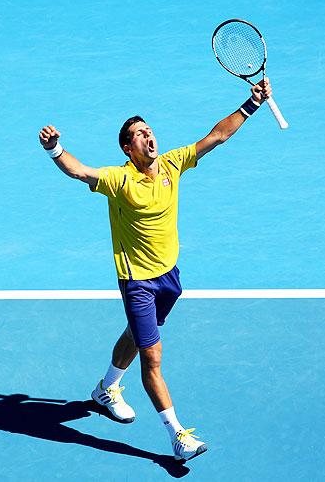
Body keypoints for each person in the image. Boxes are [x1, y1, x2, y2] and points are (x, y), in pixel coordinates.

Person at [39, 78, 273, 461]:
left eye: (150, 130)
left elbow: (216, 137)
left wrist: (251, 103)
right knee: (153, 356)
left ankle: (106, 389)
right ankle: (178, 436)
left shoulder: (172, 164)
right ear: (128, 148)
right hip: (138, 283)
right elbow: (80, 171)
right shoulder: (119, 180)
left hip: (169, 278)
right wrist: (54, 149)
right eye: (139, 134)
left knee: (137, 332)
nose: (149, 136)